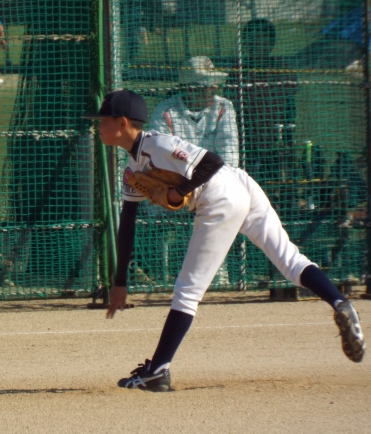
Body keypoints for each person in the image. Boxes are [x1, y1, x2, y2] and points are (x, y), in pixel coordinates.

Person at [84, 89, 365, 392]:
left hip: (220, 194)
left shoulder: (158, 144)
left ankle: (158, 371)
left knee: (187, 291)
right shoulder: (132, 169)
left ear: (122, 123)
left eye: (103, 120)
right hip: (239, 185)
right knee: (290, 260)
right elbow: (127, 224)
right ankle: (339, 302)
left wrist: (179, 191)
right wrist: (120, 282)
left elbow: (213, 162)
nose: (98, 125)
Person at [149, 56, 239, 285]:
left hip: (211, 186)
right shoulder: (165, 111)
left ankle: (218, 279)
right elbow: (163, 159)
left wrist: (204, 185)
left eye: (214, 85)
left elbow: (229, 155)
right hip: (174, 186)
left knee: (220, 201)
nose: (213, 90)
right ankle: (167, 278)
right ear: (190, 88)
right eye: (207, 85)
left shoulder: (223, 107)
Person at [227, 19, 297, 186]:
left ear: (271, 43)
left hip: (277, 140)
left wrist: (287, 137)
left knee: (280, 183)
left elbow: (290, 106)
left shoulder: (281, 69)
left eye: (260, 39)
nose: (254, 44)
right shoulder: (238, 72)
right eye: (250, 39)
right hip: (248, 143)